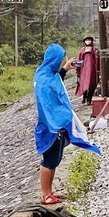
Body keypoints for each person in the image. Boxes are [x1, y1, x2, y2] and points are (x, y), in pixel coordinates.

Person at [34, 43, 100, 205]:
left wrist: (64, 69)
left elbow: (55, 82)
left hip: (55, 126)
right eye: (60, 60)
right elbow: (47, 106)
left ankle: (50, 191)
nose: (60, 63)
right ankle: (44, 195)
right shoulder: (44, 82)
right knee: (48, 161)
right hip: (51, 127)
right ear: (54, 60)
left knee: (54, 160)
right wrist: (55, 127)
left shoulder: (45, 72)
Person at [74, 36, 99, 105]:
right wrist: (77, 69)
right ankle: (84, 98)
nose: (88, 41)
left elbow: (98, 60)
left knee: (92, 85)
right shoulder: (82, 50)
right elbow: (79, 60)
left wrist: (99, 70)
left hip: (93, 71)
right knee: (84, 84)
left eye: (89, 40)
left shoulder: (95, 50)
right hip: (84, 71)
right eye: (86, 40)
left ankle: (89, 100)